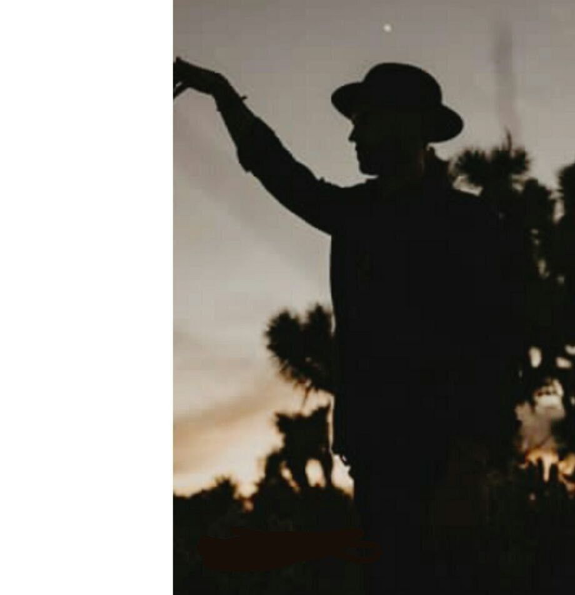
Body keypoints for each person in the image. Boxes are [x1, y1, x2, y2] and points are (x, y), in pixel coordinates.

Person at [174, 58, 522, 594]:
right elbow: (278, 171)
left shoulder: (467, 223)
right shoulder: (358, 212)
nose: (353, 136)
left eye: (366, 121)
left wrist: (469, 464)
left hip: (444, 465)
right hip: (376, 462)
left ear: (407, 126)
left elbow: (491, 346)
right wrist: (222, 94)